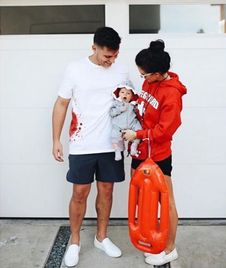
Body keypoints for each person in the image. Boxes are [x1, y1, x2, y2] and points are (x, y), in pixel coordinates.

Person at [52, 26, 129, 267]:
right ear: (93, 47)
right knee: (79, 193)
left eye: (115, 55)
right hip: (82, 143)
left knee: (106, 191)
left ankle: (101, 237)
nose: (111, 60)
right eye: (107, 56)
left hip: (111, 144)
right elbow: (62, 104)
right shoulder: (75, 69)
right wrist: (56, 139)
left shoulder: (122, 70)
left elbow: (129, 102)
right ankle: (74, 241)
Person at [123, 39, 187, 266]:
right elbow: (147, 105)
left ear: (160, 73)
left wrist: (137, 135)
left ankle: (169, 249)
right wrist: (134, 98)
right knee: (142, 199)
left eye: (145, 76)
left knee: (166, 202)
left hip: (158, 156)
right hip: (140, 151)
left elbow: (164, 131)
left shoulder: (172, 94)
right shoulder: (152, 83)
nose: (144, 80)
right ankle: (152, 239)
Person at [110, 80, 141, 161]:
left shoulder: (132, 104)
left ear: (131, 96)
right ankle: (117, 151)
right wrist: (120, 109)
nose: (125, 95)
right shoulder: (116, 103)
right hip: (118, 126)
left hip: (131, 124)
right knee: (114, 136)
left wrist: (137, 106)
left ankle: (134, 146)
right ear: (118, 94)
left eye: (128, 93)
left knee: (139, 130)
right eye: (122, 92)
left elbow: (137, 113)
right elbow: (111, 113)